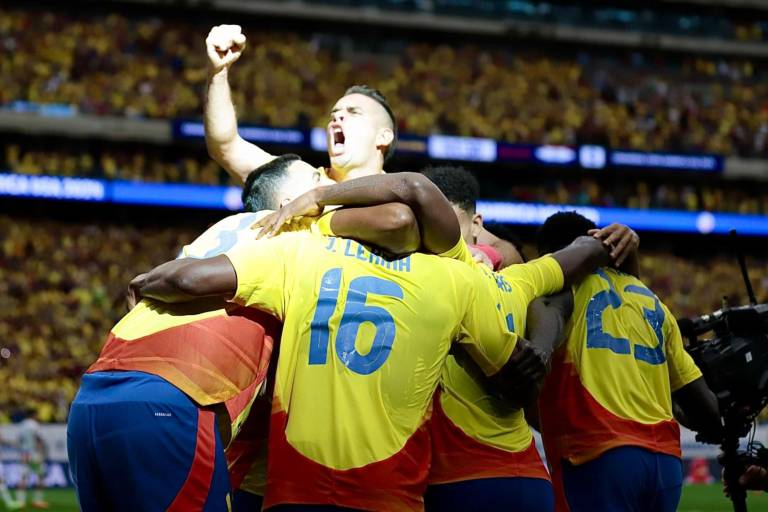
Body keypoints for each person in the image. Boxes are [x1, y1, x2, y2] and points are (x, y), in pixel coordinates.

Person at [131, 168, 614, 511]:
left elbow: (190, 280)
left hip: (297, 490)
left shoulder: (304, 252)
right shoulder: (461, 281)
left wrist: (146, 280)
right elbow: (523, 369)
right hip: (406, 492)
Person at [66, 157, 424, 512]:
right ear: (289, 204)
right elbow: (396, 217)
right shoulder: (297, 231)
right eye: (316, 180)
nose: (328, 186)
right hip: (173, 401)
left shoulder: (221, 229)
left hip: (91, 400)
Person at [203, 25, 517, 266]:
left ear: (384, 137)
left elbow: (510, 251)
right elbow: (225, 146)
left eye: (352, 113)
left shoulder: (412, 200)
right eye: (333, 115)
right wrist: (219, 72)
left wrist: (489, 255)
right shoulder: (301, 181)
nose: (336, 120)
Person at [535, 211, 723, 512]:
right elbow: (704, 406)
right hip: (665, 464)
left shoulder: (557, 287)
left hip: (598, 453)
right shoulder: (652, 300)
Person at [15, 412, 48, 509]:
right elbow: (39, 439)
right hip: (34, 454)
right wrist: (40, 453)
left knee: (23, 477)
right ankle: (37, 501)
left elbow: (19, 440)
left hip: (25, 454)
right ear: (33, 415)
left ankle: (20, 501)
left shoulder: (22, 425)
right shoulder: (35, 425)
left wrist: (22, 452)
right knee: (40, 476)